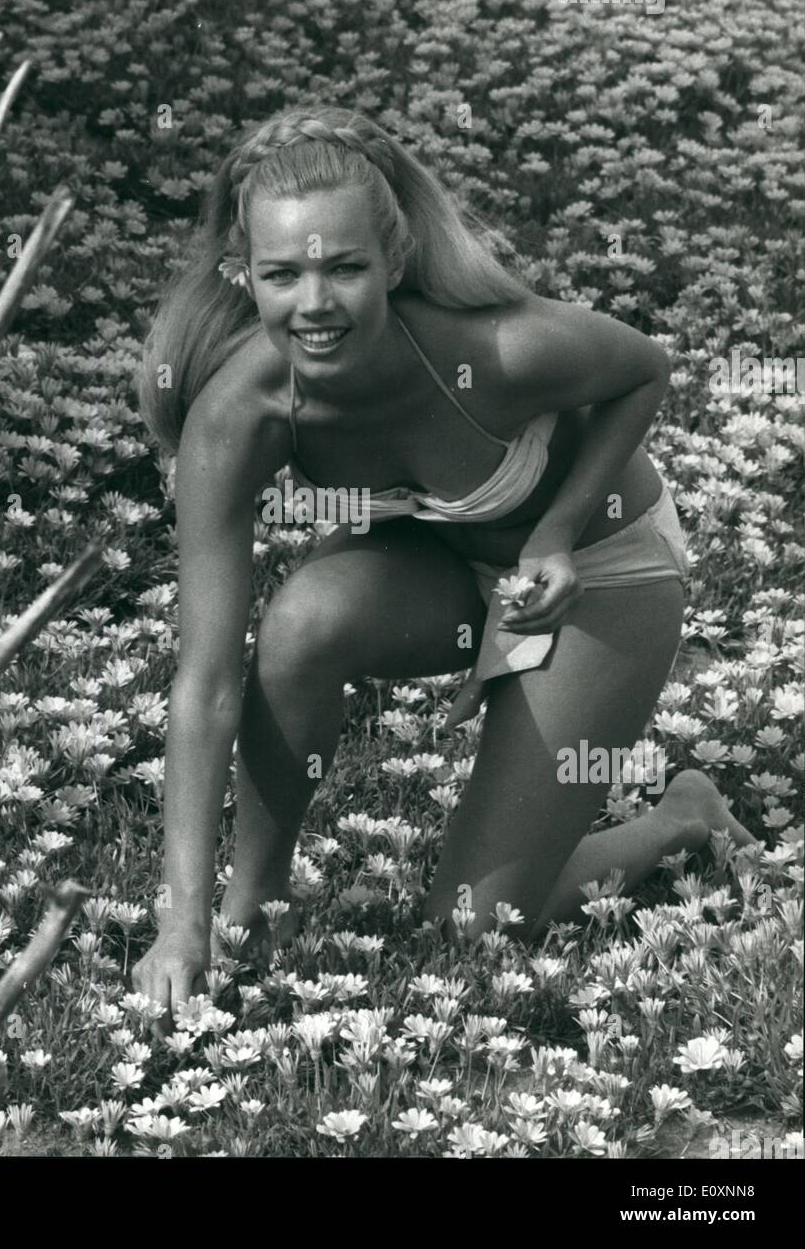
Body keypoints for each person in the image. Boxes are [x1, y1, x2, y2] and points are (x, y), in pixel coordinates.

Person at [133, 104, 753, 1031]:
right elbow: (206, 678)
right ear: (242, 272)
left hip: (598, 567)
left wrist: (556, 532)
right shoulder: (238, 413)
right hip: (451, 565)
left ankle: (681, 816)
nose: (314, 305)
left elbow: (645, 368)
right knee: (301, 620)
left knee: (476, 928)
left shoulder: (492, 347)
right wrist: (181, 918)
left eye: (344, 269)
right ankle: (254, 911)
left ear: (393, 259)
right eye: (281, 274)